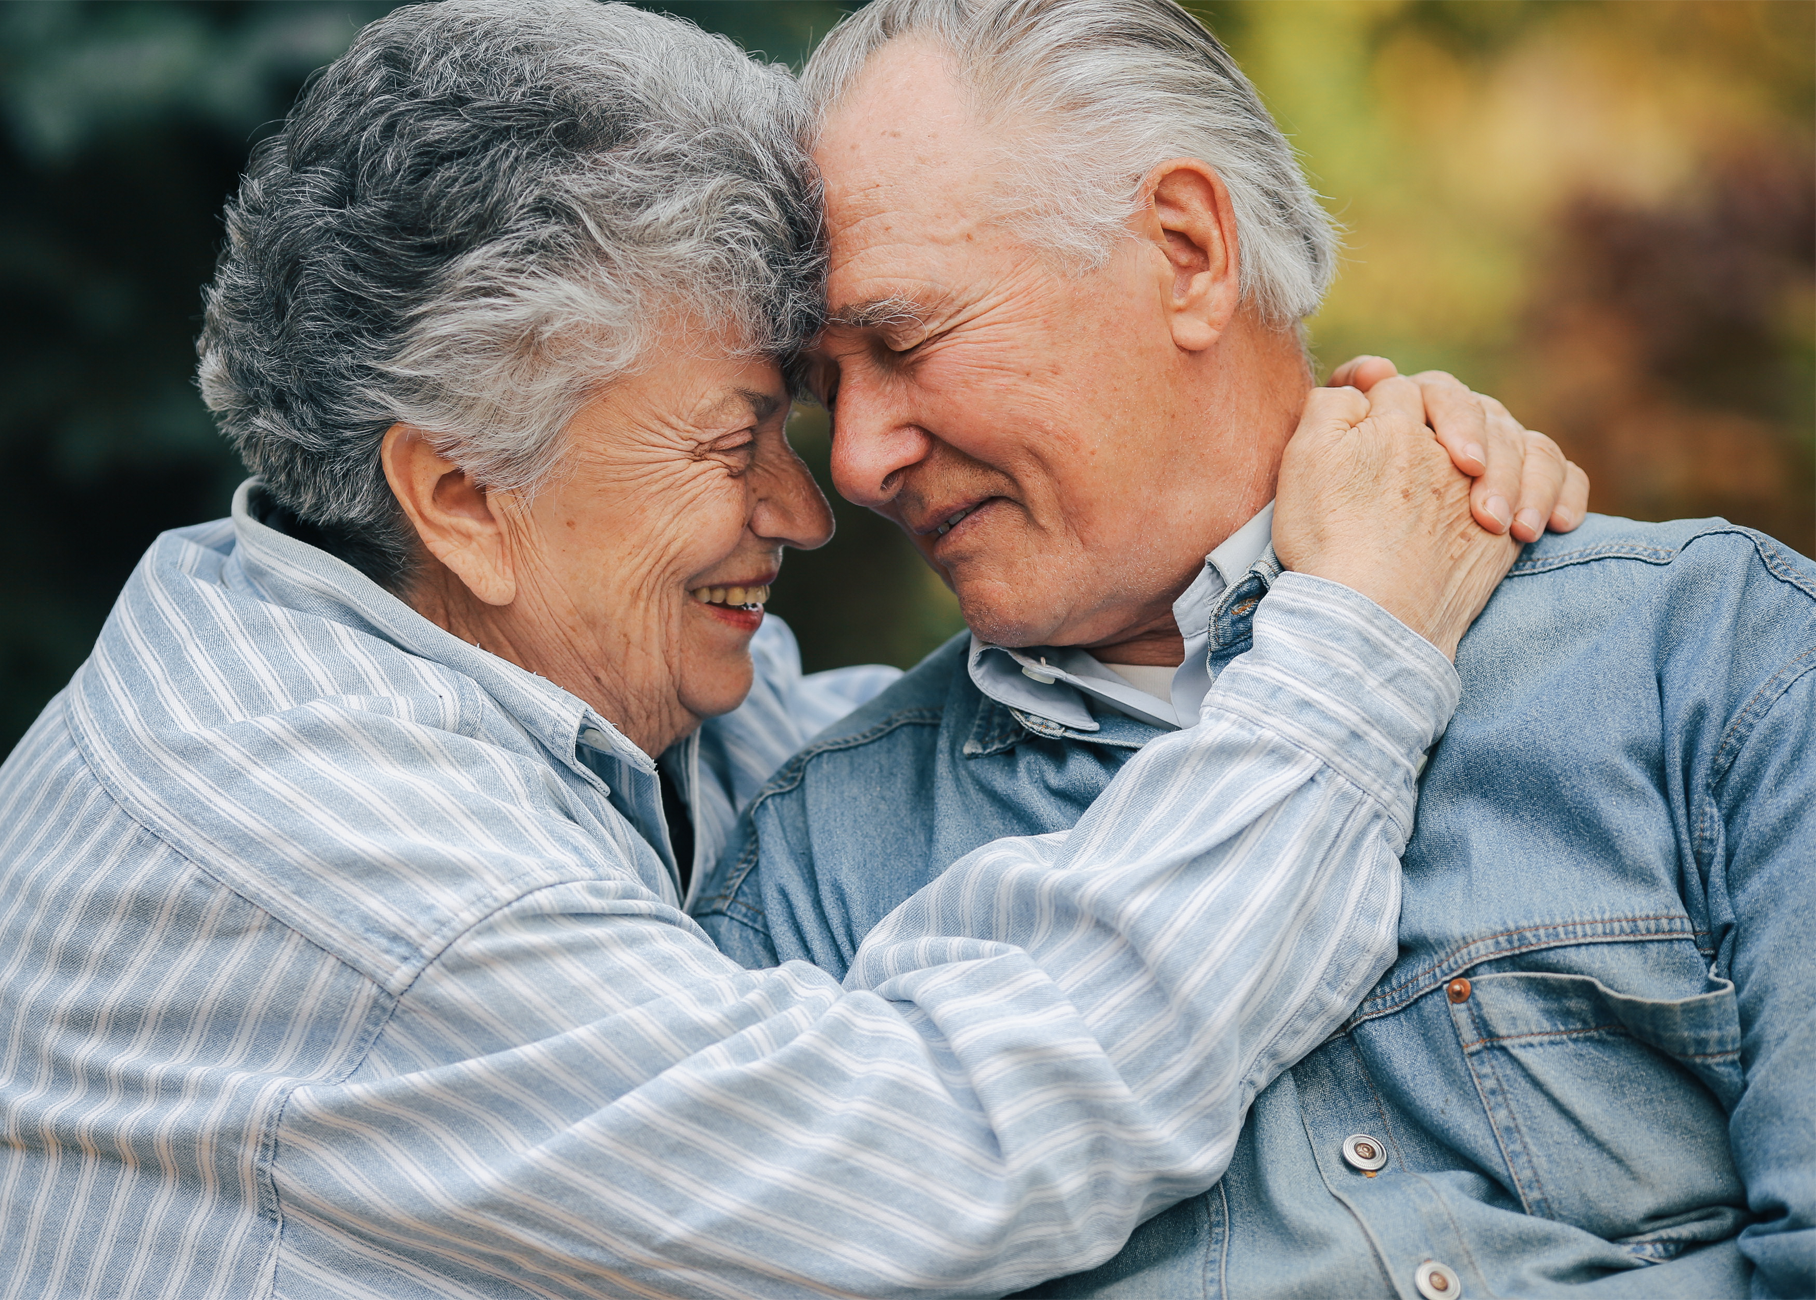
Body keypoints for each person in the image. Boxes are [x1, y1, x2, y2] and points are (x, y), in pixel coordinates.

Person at [0, 3, 1586, 1296]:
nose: (818, 494)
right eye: (733, 439)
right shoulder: (311, 826)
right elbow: (940, 1158)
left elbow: (960, 750)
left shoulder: (482, 656)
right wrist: (1358, 649)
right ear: (463, 491)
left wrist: (1357, 512)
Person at [697, 2, 1816, 1297]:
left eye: (905, 343)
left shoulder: (1711, 653)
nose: (856, 462)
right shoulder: (815, 872)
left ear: (1186, 250)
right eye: (834, 394)